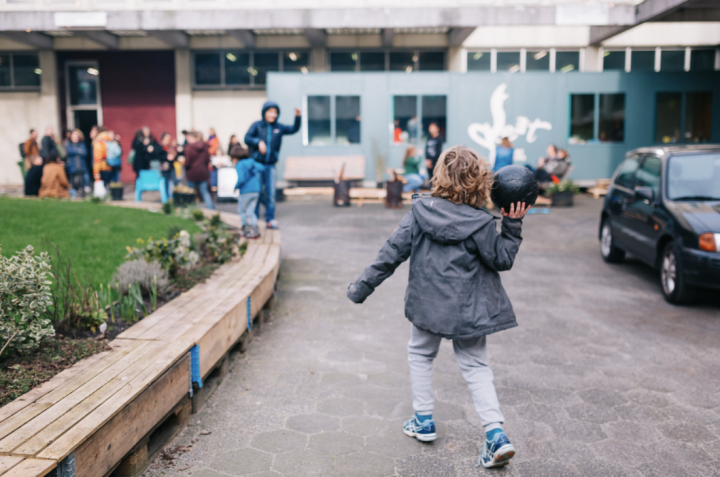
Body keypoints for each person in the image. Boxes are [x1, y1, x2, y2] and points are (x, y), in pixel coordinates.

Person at [346, 145, 530, 470]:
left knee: (420, 354)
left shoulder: (419, 211)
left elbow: (389, 254)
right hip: (470, 312)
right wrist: (512, 226)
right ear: (480, 182)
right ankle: (496, 435)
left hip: (427, 308)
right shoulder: (482, 223)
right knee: (475, 366)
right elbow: (502, 259)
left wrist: (361, 288)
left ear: (439, 176)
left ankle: (424, 420)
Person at [244, 101, 301, 229]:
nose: (273, 114)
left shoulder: (279, 127)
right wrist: (258, 142)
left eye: (275, 112)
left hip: (271, 166)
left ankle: (270, 219)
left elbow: (293, 129)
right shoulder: (256, 125)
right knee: (256, 192)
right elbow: (246, 138)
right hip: (257, 164)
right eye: (270, 111)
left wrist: (298, 117)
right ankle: (255, 219)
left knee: (271, 194)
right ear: (264, 112)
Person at [234, 157, 265, 239]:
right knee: (251, 211)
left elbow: (241, 179)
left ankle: (245, 229)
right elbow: (262, 167)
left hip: (245, 191)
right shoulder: (252, 162)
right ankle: (254, 230)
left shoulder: (239, 164)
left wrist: (235, 187)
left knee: (242, 211)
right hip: (255, 190)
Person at [184, 131, 214, 210]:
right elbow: (208, 159)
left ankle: (192, 209)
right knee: (205, 192)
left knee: (191, 193)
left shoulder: (189, 147)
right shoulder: (205, 146)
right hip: (203, 172)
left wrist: (186, 168)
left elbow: (187, 162)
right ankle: (211, 209)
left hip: (192, 173)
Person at [65, 129, 89, 196]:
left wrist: (76, 151)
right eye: (74, 136)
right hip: (72, 166)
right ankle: (73, 194)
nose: (75, 138)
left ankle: (82, 194)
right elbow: (69, 152)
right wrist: (78, 151)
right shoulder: (69, 144)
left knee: (81, 181)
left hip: (81, 166)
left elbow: (85, 153)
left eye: (76, 136)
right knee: (72, 181)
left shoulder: (82, 144)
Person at [159, 132, 178, 197]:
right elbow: (157, 156)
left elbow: (175, 155)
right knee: (166, 183)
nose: (168, 141)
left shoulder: (170, 147)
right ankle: (166, 197)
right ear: (162, 139)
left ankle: (174, 196)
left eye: (169, 139)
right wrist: (167, 157)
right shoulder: (159, 147)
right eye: (167, 139)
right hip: (164, 168)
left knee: (175, 181)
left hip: (171, 167)